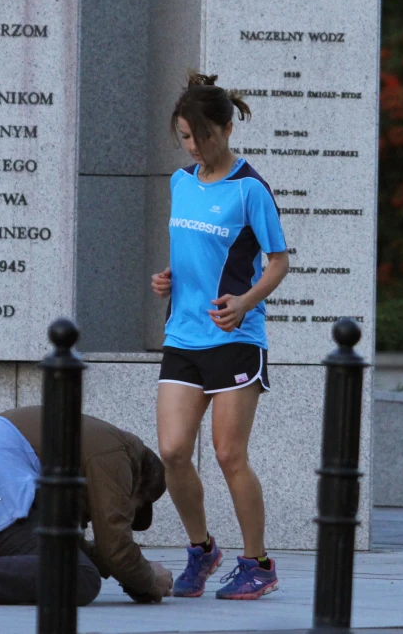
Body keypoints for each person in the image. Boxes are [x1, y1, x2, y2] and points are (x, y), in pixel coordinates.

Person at [151, 71, 289, 601]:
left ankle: (257, 564)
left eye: (204, 136)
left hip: (236, 338)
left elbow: (278, 264)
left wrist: (244, 302)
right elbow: (193, 255)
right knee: (173, 451)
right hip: (182, 336)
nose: (195, 146)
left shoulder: (249, 188)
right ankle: (201, 549)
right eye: (186, 136)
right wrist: (168, 279)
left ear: (227, 129)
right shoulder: (180, 182)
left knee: (230, 455)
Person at [0, 405, 174, 606]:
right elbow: (115, 549)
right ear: (137, 483)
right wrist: (150, 579)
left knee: (56, 557)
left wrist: (128, 571)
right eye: (129, 506)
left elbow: (64, 543)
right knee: (79, 575)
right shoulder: (114, 454)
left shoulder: (85, 439)